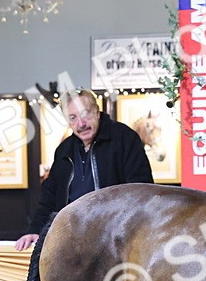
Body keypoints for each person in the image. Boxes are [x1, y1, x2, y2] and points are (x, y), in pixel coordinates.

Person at [15, 88, 153, 251]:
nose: (81, 124)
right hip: (71, 241)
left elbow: (141, 190)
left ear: (97, 112)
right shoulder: (64, 150)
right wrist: (34, 230)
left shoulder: (124, 138)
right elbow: (49, 197)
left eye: (85, 114)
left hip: (115, 240)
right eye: (73, 118)